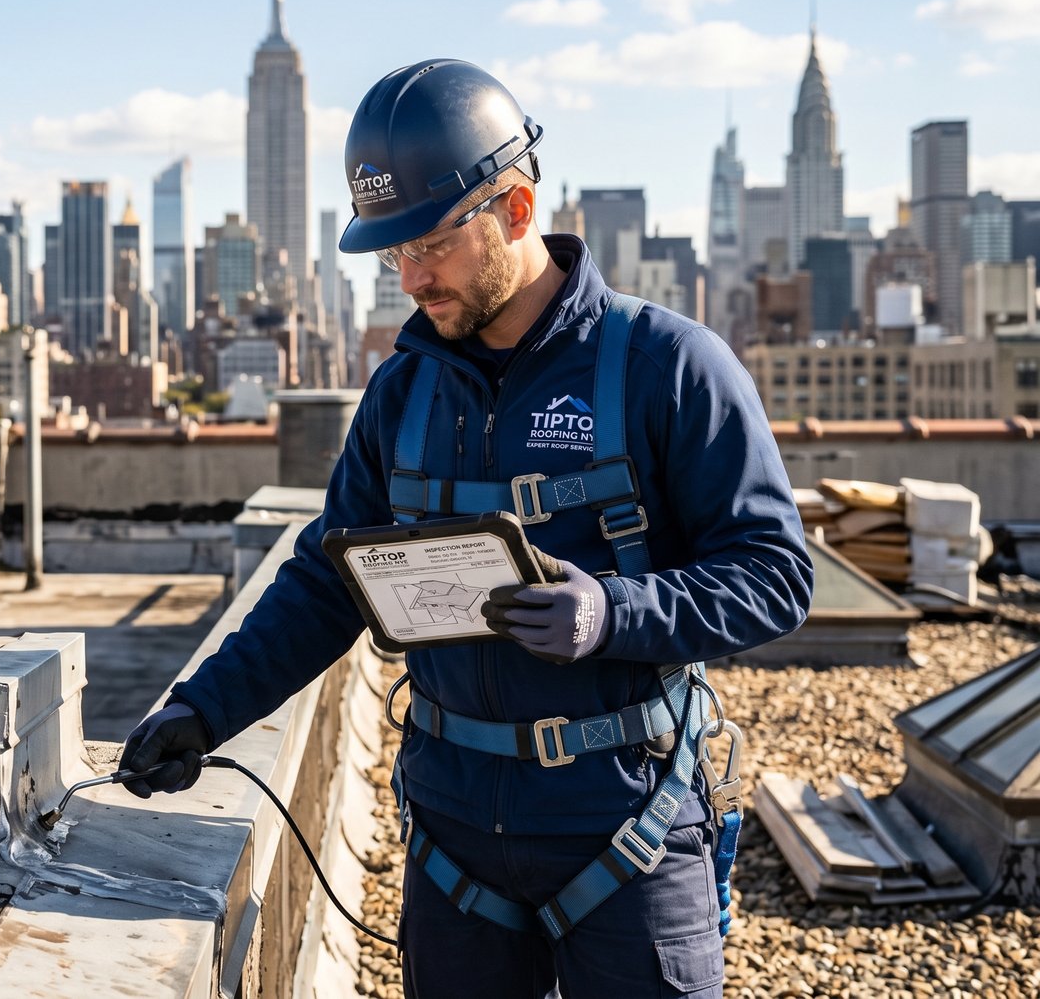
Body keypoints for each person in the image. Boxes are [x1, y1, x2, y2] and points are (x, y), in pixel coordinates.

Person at [119, 59, 812, 998]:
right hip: (453, 841)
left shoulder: (670, 366)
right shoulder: (400, 395)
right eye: (391, 253)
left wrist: (613, 611)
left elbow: (773, 573)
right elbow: (328, 582)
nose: (410, 276)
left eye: (433, 244)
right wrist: (204, 710)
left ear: (517, 210)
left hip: (627, 826)